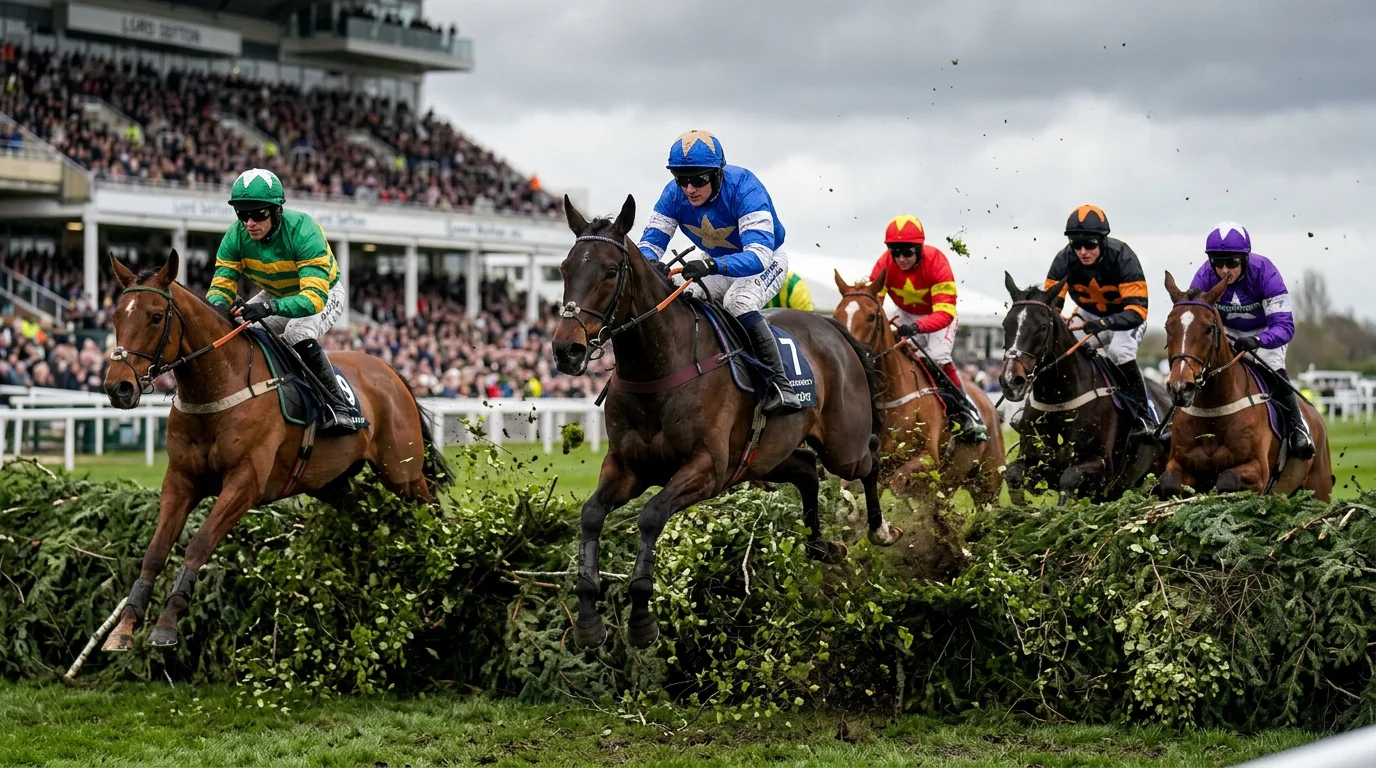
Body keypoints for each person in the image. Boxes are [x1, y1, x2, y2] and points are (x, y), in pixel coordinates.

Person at [636, 130, 802, 416]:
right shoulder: (673, 194)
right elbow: (649, 244)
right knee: (677, 290)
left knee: (738, 302)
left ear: (717, 174)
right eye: (681, 179)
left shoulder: (746, 188)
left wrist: (713, 266)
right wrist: (652, 264)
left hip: (764, 260)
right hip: (716, 261)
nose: (689, 189)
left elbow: (758, 255)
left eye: (699, 179)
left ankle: (779, 385)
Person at [207, 168, 362, 430]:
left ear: (277, 210)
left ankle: (339, 407)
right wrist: (220, 311)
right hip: (276, 292)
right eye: (243, 215)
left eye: (259, 214)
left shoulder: (304, 229)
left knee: (296, 333)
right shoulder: (235, 236)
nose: (250, 223)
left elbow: (313, 299)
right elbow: (220, 288)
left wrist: (266, 308)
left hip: (323, 292)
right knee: (238, 333)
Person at [1187, 221, 1314, 458]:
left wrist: (1257, 340)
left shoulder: (1265, 271)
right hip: (1225, 331)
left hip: (1264, 331)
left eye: (1232, 262)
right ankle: (1178, 426)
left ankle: (1298, 427)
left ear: (1245, 258)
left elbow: (1284, 326)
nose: (1224, 270)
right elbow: (1195, 318)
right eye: (1218, 262)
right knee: (1195, 371)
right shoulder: (1204, 275)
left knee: (1273, 368)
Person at [870, 214, 987, 442]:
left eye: (907, 252)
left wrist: (917, 326)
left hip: (938, 315)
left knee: (937, 355)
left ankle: (964, 411)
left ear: (919, 249)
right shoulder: (884, 264)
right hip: (904, 314)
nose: (901, 259)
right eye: (895, 252)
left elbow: (944, 313)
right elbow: (873, 303)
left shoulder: (937, 262)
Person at [1043, 204, 1154, 442]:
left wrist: (1106, 322)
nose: (1083, 251)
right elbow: (1050, 304)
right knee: (1065, 351)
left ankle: (1143, 417)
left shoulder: (1124, 257)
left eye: (1090, 244)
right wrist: (1056, 316)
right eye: (1076, 245)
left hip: (1127, 316)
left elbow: (1137, 311)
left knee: (1119, 351)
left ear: (1103, 241)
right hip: (1089, 314)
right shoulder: (1063, 260)